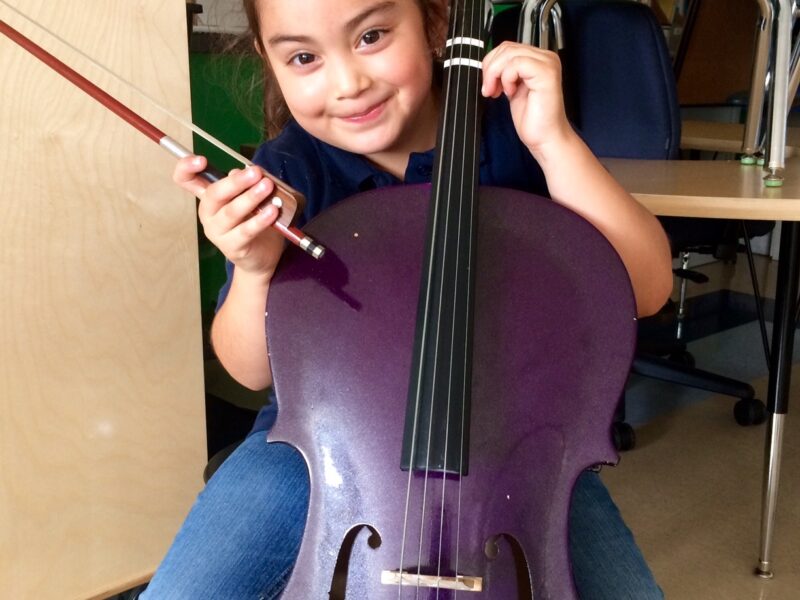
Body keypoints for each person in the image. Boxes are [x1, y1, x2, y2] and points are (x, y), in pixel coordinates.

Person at [142, 0, 673, 598]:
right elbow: (247, 369)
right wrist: (255, 269)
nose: (348, 84)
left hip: (524, 454)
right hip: (322, 447)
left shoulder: (513, 128)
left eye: (371, 36)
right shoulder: (286, 171)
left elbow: (648, 289)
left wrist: (555, 144)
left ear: (436, 23)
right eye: (304, 57)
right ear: (270, 61)